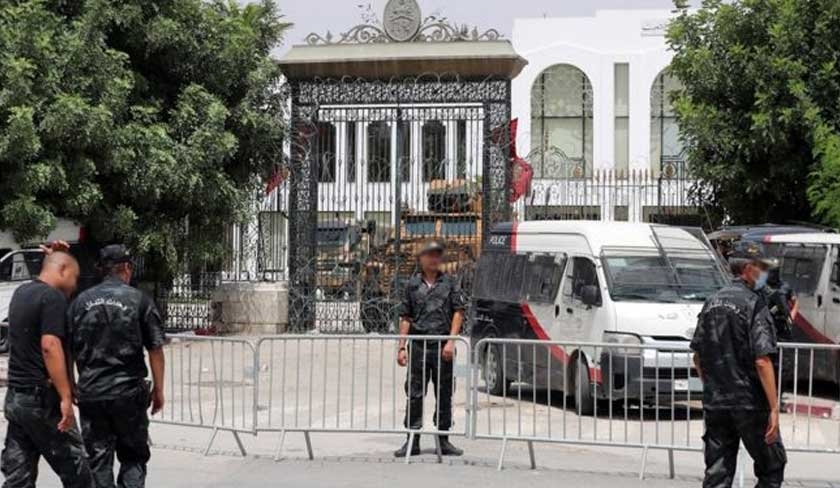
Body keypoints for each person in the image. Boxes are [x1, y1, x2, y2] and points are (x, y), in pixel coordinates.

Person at [67, 245, 166, 488]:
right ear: (127, 268)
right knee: (133, 457)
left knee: (98, 460)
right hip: (128, 394)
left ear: (102, 270)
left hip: (91, 393)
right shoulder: (139, 300)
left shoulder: (80, 303)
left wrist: (70, 386)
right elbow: (155, 349)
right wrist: (159, 391)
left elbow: (67, 350)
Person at [691, 249, 787, 488]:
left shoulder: (711, 301)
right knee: (772, 466)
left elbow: (697, 357)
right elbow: (762, 360)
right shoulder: (753, 303)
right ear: (747, 269)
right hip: (750, 403)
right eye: (760, 267)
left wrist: (713, 386)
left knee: (717, 473)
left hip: (716, 403)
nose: (764, 273)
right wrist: (774, 407)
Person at [1, 250, 94, 487]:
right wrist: (65, 397)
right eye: (74, 277)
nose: (74, 285)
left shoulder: (22, 293)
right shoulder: (52, 298)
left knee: (18, 475)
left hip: (16, 397)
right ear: (62, 270)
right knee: (77, 469)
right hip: (41, 399)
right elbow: (50, 346)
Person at [394, 240, 465, 458]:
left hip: (443, 346)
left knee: (444, 393)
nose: (433, 259)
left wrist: (451, 341)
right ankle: (412, 440)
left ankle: (443, 440)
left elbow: (458, 312)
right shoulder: (412, 285)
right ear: (421, 258)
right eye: (429, 255)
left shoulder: (450, 283)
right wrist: (402, 347)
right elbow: (405, 316)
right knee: (415, 393)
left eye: (437, 255)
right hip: (419, 346)